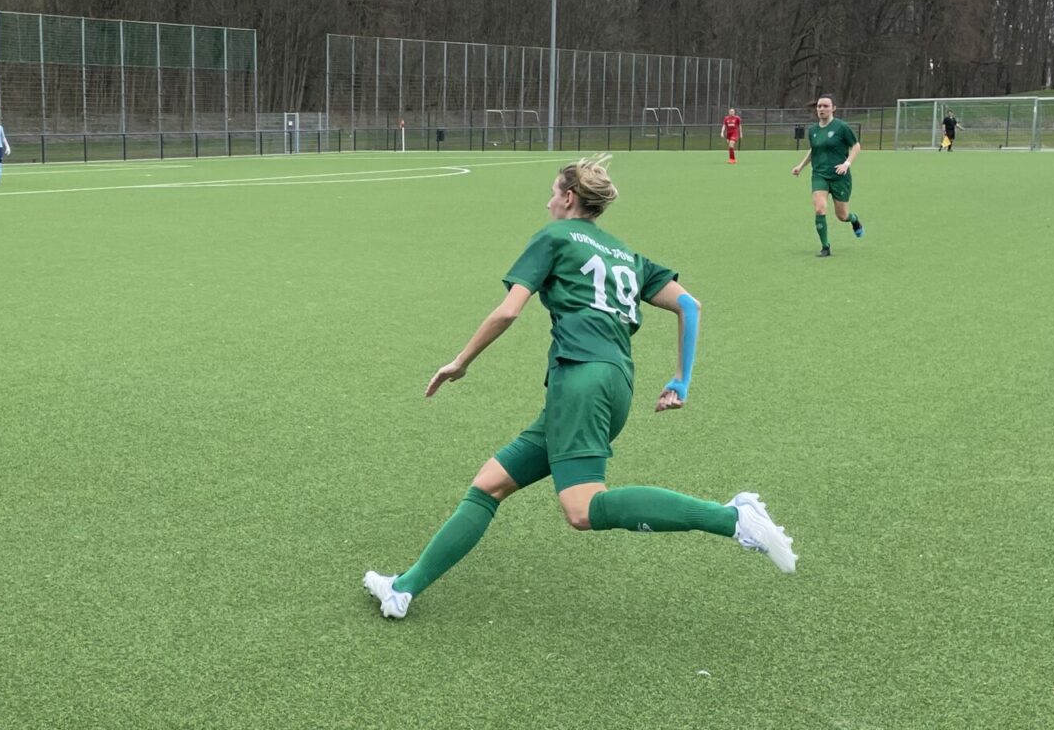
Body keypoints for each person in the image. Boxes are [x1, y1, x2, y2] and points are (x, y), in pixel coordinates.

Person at [360, 155, 797, 620]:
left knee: (582, 510)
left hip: (580, 382)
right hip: (615, 385)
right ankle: (403, 589)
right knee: (489, 485)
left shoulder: (554, 236)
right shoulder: (625, 254)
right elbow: (689, 305)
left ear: (569, 198)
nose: (548, 202)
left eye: (553, 192)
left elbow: (509, 311)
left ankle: (733, 518)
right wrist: (680, 379)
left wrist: (460, 362)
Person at [790, 95, 865, 257]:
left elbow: (856, 146)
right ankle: (825, 247)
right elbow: (814, 151)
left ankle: (854, 220)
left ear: (833, 108)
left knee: (842, 215)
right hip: (819, 175)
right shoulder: (813, 131)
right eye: (819, 106)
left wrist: (846, 164)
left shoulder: (841, 127)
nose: (821, 109)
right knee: (819, 208)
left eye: (825, 106)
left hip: (840, 177)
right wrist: (801, 166)